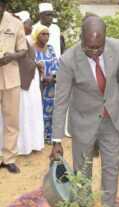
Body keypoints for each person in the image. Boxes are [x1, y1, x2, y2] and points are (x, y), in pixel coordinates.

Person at [50, 16, 119, 207]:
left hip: (111, 120)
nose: (94, 52)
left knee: (112, 167)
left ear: (105, 38)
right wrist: (56, 140)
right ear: (81, 39)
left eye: (99, 47)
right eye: (89, 47)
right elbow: (61, 100)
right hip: (83, 122)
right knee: (82, 172)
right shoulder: (68, 60)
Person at [0, 0, 27, 173]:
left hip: (11, 79)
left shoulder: (16, 23)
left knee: (12, 121)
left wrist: (12, 56)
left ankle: (9, 158)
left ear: (3, 6)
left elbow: (23, 50)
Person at [15, 11, 44, 155]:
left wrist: (35, 64)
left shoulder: (25, 39)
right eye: (29, 23)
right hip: (23, 83)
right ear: (22, 25)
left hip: (30, 82)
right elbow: (22, 62)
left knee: (31, 113)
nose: (31, 26)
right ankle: (22, 146)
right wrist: (36, 65)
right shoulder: (18, 40)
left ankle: (30, 144)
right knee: (24, 113)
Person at [32, 25, 59, 144]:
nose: (46, 37)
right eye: (43, 34)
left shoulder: (51, 49)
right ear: (37, 35)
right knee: (37, 110)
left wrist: (52, 77)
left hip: (50, 85)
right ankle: (38, 137)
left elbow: (56, 65)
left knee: (50, 110)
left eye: (48, 34)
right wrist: (42, 78)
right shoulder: (31, 49)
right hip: (36, 85)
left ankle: (49, 136)